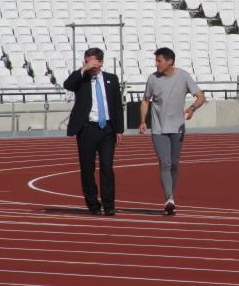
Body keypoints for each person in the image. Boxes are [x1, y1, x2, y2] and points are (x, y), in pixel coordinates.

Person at [139, 47, 205, 216]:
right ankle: (169, 198)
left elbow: (200, 96)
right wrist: (143, 121)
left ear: (170, 61)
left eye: (159, 60)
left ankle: (171, 197)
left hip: (177, 128)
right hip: (158, 128)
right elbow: (146, 100)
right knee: (165, 163)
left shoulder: (183, 76)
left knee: (174, 164)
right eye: (156, 60)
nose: (156, 64)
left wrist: (191, 109)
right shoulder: (152, 79)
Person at [63, 48, 124, 216]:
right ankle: (92, 204)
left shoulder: (111, 79)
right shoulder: (81, 79)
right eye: (87, 61)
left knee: (106, 166)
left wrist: (119, 129)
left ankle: (109, 204)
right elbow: (67, 85)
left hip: (107, 129)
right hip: (87, 129)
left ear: (101, 62)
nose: (90, 64)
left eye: (93, 61)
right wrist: (82, 70)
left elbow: (117, 105)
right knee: (87, 168)